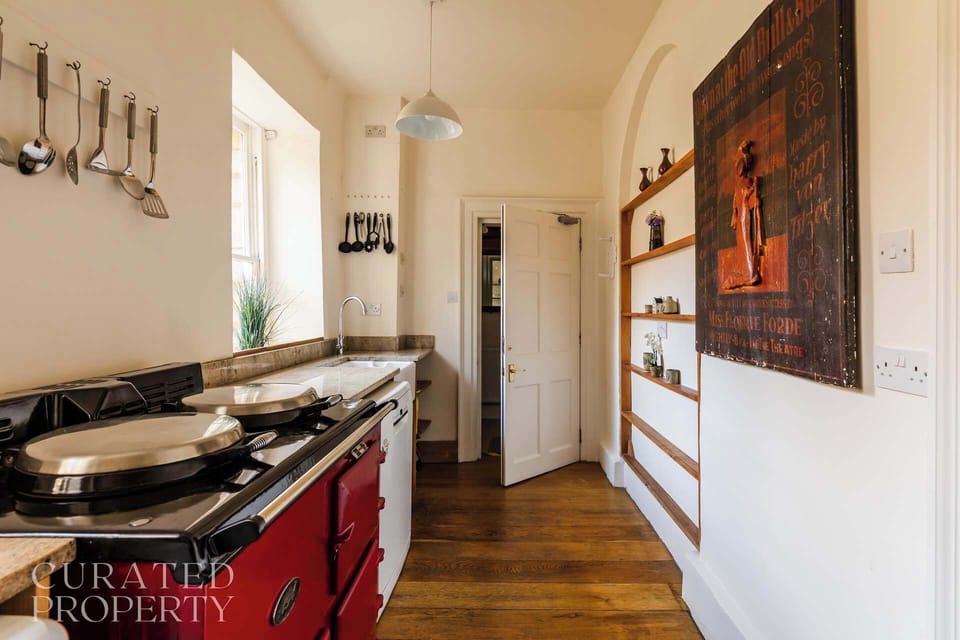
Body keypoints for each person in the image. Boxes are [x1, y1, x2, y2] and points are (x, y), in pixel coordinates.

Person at [723, 139, 764, 289]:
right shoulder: (738, 184)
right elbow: (735, 200)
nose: (738, 170)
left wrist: (753, 188)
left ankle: (750, 273)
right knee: (742, 244)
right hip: (740, 216)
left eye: (740, 166)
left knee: (746, 243)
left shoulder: (746, 181)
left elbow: (747, 196)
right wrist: (733, 214)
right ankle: (744, 270)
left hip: (745, 215)